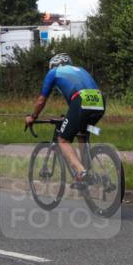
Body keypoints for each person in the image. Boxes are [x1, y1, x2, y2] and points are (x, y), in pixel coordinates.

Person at [25, 54, 105, 188]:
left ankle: (82, 172)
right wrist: (69, 117)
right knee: (82, 134)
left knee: (62, 140)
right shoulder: (80, 69)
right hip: (100, 100)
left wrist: (33, 116)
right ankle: (86, 172)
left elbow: (41, 100)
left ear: (53, 65)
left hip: (80, 101)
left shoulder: (53, 72)